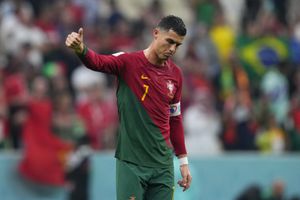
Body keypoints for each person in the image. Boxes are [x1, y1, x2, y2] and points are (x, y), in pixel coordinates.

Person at [65, 15, 192, 199]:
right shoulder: (128, 62)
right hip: (131, 162)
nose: (172, 49)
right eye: (170, 41)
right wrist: (81, 49)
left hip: (163, 165)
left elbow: (175, 119)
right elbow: (98, 62)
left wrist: (183, 161)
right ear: (156, 33)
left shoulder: (176, 75)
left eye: (177, 45)